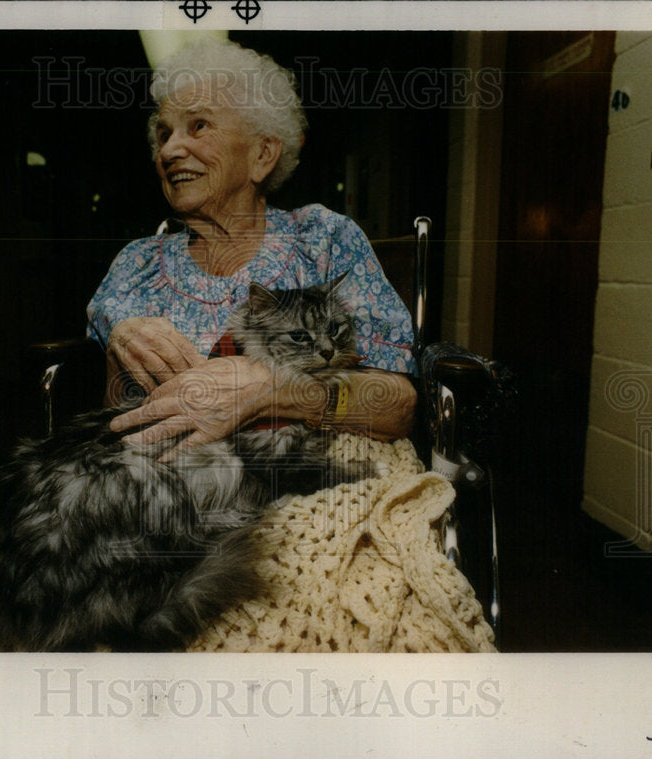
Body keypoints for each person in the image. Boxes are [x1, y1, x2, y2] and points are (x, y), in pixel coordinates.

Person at [86, 39, 417, 457]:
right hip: (167, 480)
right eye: (164, 133)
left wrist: (272, 388)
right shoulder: (136, 265)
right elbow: (113, 427)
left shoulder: (323, 240)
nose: (169, 150)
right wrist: (121, 358)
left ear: (262, 153)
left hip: (311, 475)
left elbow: (398, 407)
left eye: (199, 125)